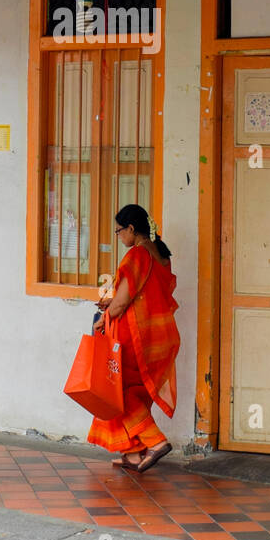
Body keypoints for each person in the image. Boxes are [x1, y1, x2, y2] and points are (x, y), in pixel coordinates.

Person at [88, 203, 180, 474]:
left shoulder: (137, 256)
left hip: (134, 337)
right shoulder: (162, 257)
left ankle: (155, 441)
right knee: (137, 393)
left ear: (131, 228)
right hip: (159, 335)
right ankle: (134, 453)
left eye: (119, 231)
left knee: (119, 393)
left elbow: (122, 302)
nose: (118, 237)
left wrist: (104, 318)